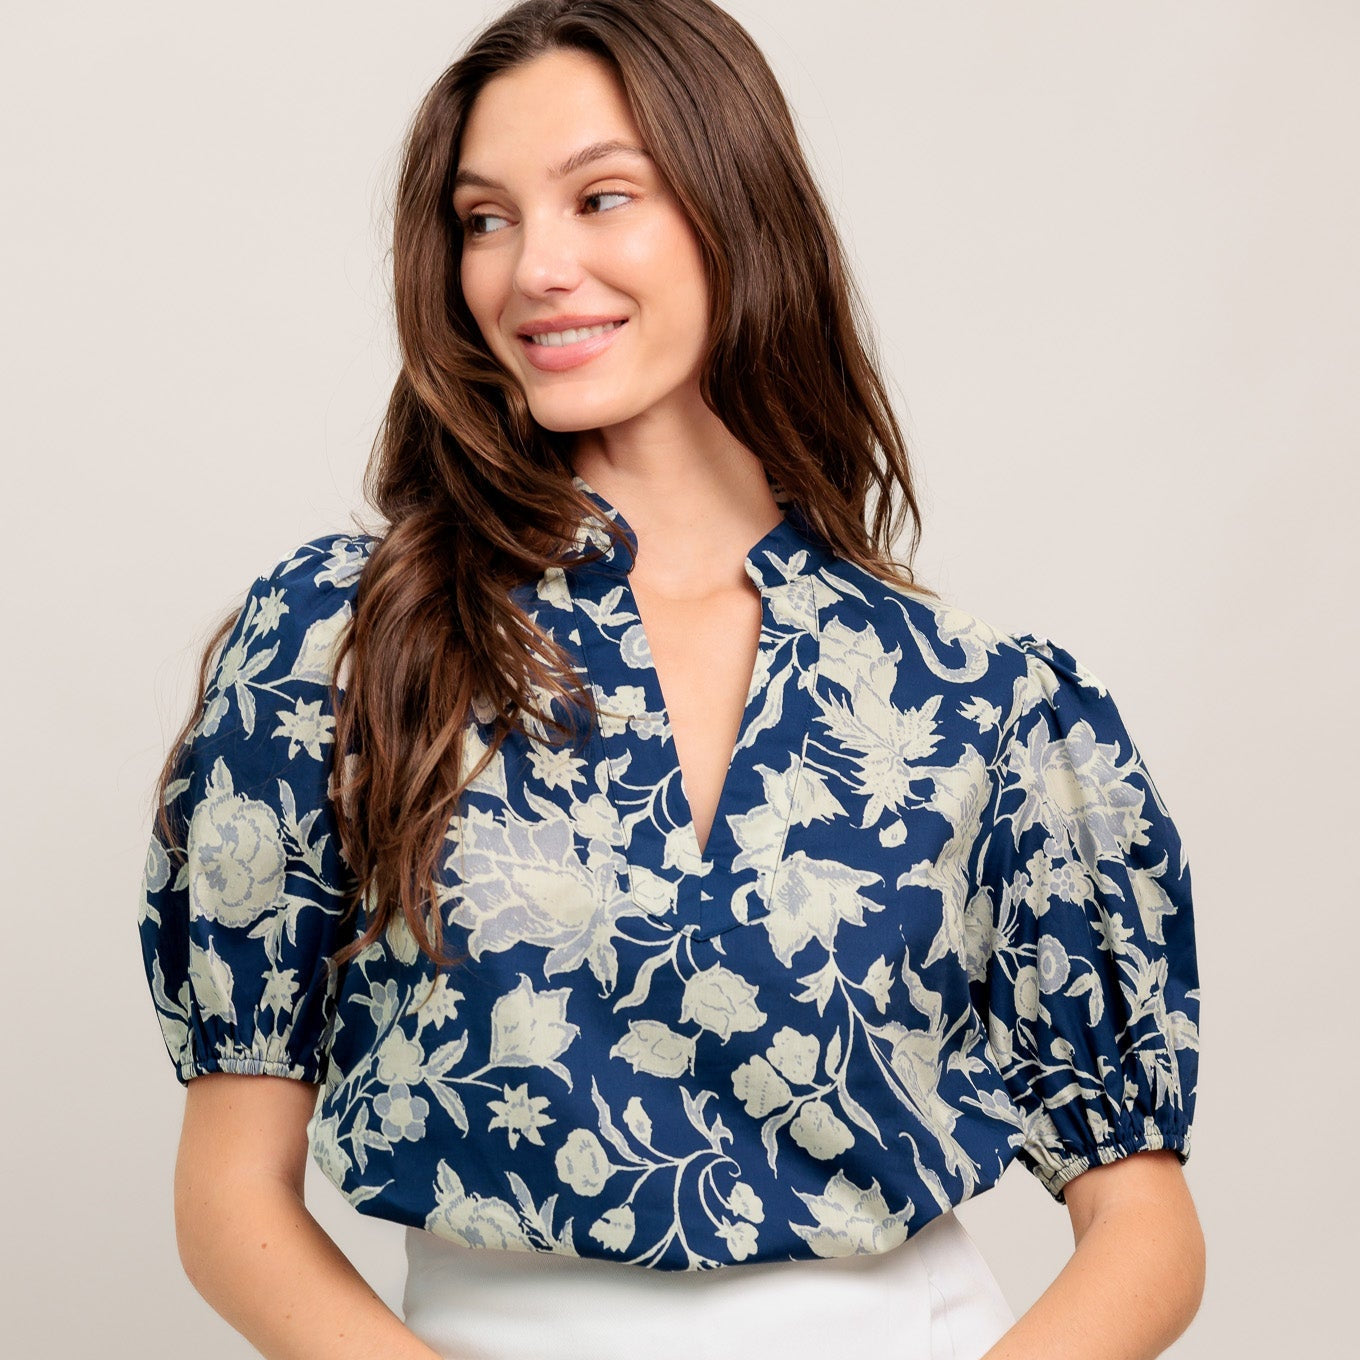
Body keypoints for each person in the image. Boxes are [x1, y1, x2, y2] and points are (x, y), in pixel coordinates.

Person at [135, 2, 1205, 1357]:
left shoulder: (976, 700)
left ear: (733, 209)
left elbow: (1149, 1229)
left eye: (601, 197)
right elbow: (229, 1197)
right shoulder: (345, 644)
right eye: (485, 218)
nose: (534, 269)